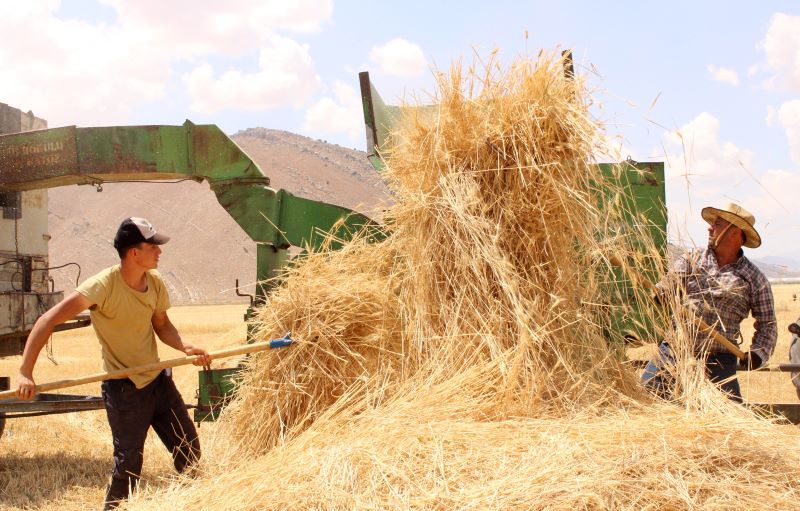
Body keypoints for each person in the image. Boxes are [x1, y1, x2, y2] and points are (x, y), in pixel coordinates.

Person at [16, 217, 211, 510]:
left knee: (189, 451)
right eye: (153, 246)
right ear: (134, 252)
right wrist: (24, 372)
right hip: (125, 390)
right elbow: (47, 320)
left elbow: (161, 323)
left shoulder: (155, 282)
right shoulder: (102, 287)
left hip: (158, 383)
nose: (160, 252)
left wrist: (185, 346)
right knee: (129, 467)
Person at [641, 202, 777, 402]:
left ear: (735, 232)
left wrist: (758, 353)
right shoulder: (691, 259)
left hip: (719, 362)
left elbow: (768, 324)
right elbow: (668, 285)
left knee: (729, 418)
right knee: (644, 401)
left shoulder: (754, 278)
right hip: (674, 352)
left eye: (718, 223)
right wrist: (663, 294)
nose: (709, 227)